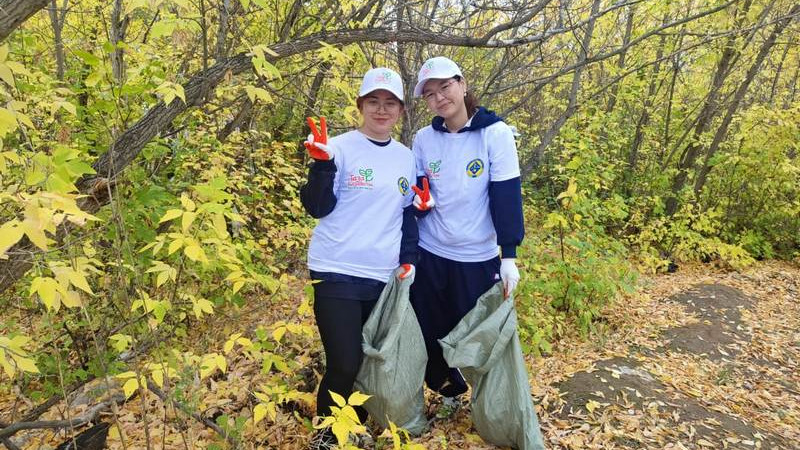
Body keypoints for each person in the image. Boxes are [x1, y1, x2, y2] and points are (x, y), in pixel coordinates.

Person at [299, 67, 418, 449]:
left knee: (365, 361)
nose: (381, 110)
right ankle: (327, 438)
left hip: (382, 275)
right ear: (360, 105)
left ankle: (354, 425)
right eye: (373, 101)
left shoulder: (406, 158)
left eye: (390, 103)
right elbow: (317, 207)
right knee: (344, 362)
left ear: (401, 110)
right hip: (336, 269)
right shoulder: (338, 147)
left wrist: (409, 258)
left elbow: (406, 213)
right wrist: (322, 165)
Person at [408, 56, 525, 417]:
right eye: (430, 94)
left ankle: (492, 408)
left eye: (445, 87)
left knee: (479, 336)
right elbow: (418, 192)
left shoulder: (495, 134)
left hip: (476, 257)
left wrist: (509, 255)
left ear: (461, 84)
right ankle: (449, 393)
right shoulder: (424, 139)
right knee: (428, 332)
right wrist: (419, 205)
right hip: (430, 253)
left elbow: (506, 196)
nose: (439, 98)